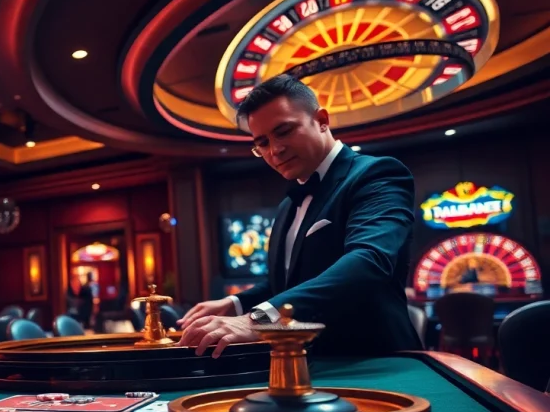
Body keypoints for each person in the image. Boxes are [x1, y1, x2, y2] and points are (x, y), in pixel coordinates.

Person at [178, 74, 422, 358]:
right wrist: (236, 304)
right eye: (262, 143)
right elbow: (287, 282)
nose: (275, 150)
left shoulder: (377, 174)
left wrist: (258, 320)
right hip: (307, 362)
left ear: (321, 120)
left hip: (376, 361)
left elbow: (368, 262)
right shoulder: (287, 205)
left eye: (284, 132)